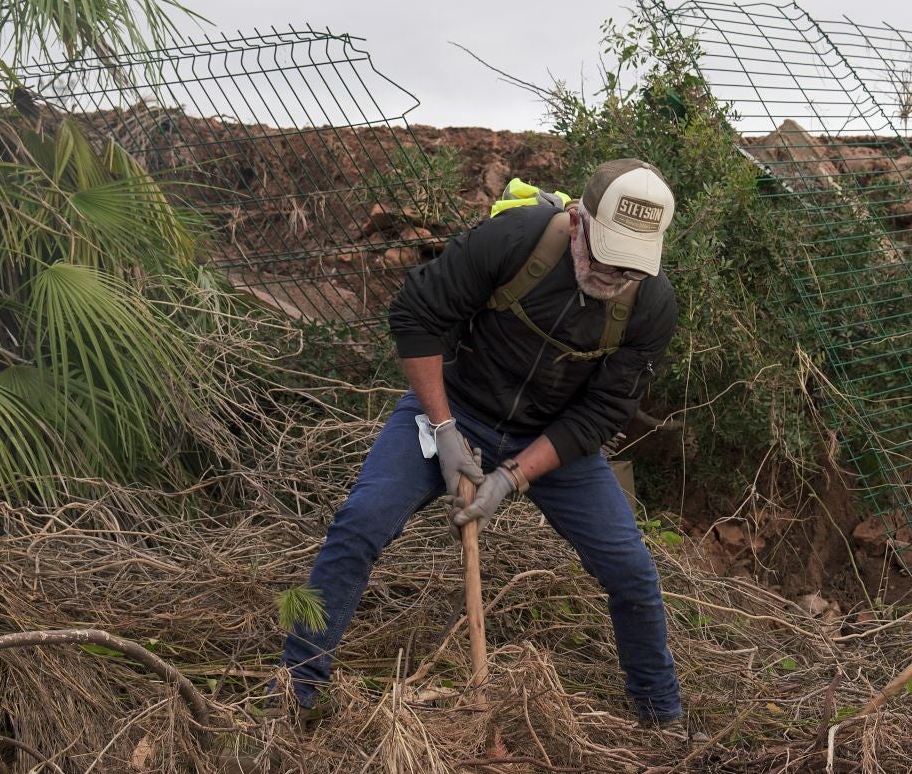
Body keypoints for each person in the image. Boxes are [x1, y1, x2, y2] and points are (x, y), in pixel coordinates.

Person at [277, 159, 686, 727]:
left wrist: (512, 475)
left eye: (629, 267)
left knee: (631, 572)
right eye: (605, 255)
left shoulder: (651, 304)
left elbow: (603, 412)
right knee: (361, 522)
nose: (614, 276)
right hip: (455, 407)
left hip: (552, 435)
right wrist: (443, 431)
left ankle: (662, 719)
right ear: (578, 222)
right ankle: (296, 689)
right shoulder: (515, 239)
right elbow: (418, 314)